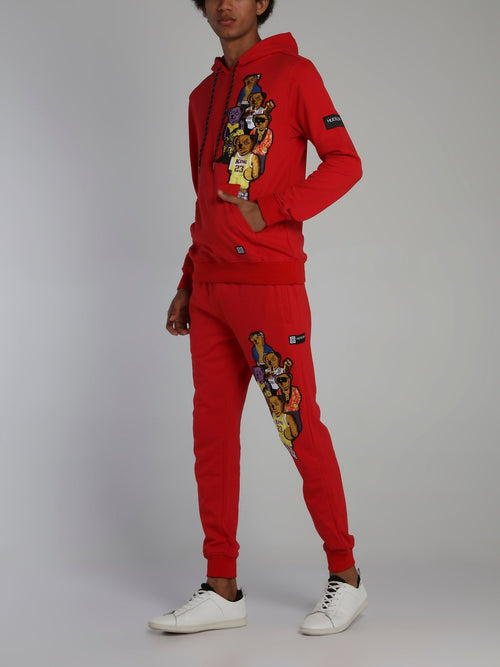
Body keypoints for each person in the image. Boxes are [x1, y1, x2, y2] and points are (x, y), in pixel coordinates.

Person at [148, 0, 368, 636]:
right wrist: (188, 281)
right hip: (212, 293)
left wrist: (272, 209)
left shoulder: (296, 73)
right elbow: (205, 202)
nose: (225, 3)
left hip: (270, 291)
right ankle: (222, 586)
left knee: (297, 427)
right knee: (212, 439)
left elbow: (345, 162)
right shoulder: (201, 97)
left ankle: (347, 576)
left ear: (263, 2)